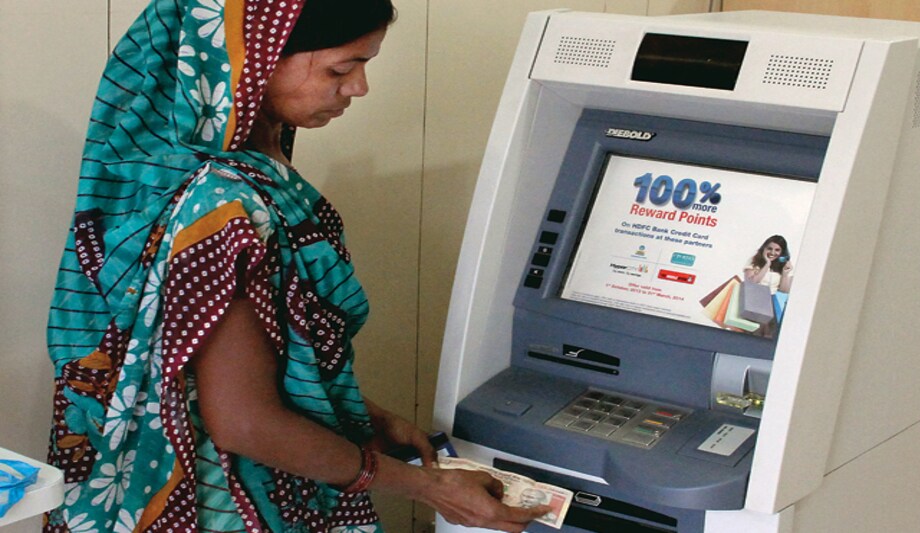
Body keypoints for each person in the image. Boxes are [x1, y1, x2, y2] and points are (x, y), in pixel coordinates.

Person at [43, 1, 548, 532]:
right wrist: (429, 488)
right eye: (340, 69)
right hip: (221, 503)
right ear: (252, 59)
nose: (359, 87)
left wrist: (364, 413)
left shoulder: (236, 179)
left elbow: (246, 368)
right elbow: (244, 421)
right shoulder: (224, 206)